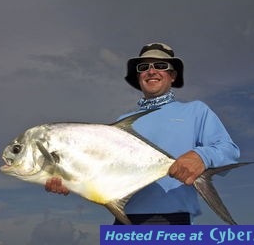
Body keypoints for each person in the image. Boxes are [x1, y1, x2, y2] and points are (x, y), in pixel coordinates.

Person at [45, 42, 240, 225]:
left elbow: (229, 151)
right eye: (143, 68)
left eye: (160, 65)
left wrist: (202, 156)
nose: (151, 71)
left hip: (171, 222)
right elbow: (103, 172)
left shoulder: (196, 111)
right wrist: (70, 179)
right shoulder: (121, 123)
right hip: (122, 218)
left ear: (173, 75)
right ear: (138, 78)